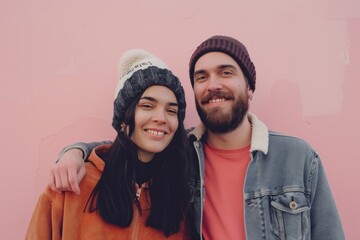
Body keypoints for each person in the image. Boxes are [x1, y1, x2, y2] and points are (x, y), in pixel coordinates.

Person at [49, 36, 345, 240]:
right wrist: (75, 151)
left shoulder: (298, 158)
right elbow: (128, 143)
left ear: (249, 88)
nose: (213, 85)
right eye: (201, 77)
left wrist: (74, 150)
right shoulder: (180, 153)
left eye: (226, 72)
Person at [26, 49, 194, 240]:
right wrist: (74, 151)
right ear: (123, 118)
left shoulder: (178, 197)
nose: (161, 118)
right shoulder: (72, 184)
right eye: (147, 106)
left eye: (171, 110)